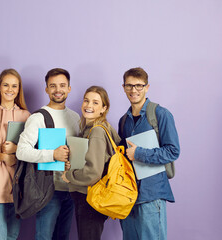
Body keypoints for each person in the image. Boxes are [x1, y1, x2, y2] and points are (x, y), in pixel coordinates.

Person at [16, 68, 80, 240]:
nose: (58, 90)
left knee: (63, 237)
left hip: (71, 188)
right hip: (49, 190)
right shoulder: (38, 117)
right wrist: (53, 155)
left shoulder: (76, 118)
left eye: (62, 85)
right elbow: (21, 151)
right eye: (53, 86)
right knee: (44, 237)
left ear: (69, 88)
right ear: (46, 89)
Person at [118, 67, 180, 240]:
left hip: (152, 196)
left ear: (147, 87)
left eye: (139, 85)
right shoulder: (123, 121)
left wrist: (139, 153)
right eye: (129, 86)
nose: (134, 90)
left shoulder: (161, 114)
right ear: (123, 87)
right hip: (129, 197)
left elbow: (173, 151)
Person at [61, 86, 121, 240]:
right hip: (89, 198)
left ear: (104, 108)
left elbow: (93, 172)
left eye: (95, 102)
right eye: (86, 101)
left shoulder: (97, 131)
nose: (89, 106)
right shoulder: (88, 129)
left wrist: (70, 175)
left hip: (90, 199)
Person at [0, 69, 30, 240]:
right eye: (6, 85)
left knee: (12, 236)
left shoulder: (27, 116)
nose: (10, 89)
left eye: (14, 86)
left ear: (19, 89)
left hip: (18, 185)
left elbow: (33, 150)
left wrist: (16, 149)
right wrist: (2, 156)